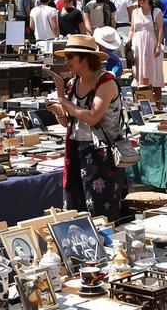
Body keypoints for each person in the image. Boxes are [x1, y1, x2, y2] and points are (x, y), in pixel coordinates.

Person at [43, 35, 126, 220]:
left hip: (101, 155)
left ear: (85, 58)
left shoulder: (106, 82)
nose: (66, 61)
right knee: (74, 210)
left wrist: (63, 99)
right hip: (76, 151)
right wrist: (58, 110)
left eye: (70, 56)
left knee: (100, 213)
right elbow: (69, 123)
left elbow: (92, 117)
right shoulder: (73, 83)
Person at [128, 0, 163, 88]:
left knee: (153, 67)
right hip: (137, 42)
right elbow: (132, 29)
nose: (141, 1)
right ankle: (142, 91)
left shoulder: (156, 12)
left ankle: (156, 94)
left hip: (151, 41)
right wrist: (128, 42)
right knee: (138, 66)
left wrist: (158, 46)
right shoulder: (135, 12)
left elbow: (160, 30)